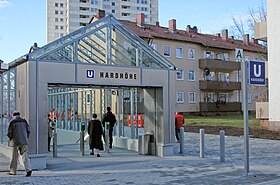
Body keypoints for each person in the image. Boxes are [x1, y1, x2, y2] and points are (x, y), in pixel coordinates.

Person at [7, 111, 32, 177]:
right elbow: (28, 131)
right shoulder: (24, 121)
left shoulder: (12, 122)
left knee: (14, 157)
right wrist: (26, 138)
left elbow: (9, 132)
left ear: (13, 115)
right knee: (25, 157)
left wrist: (10, 139)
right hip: (24, 141)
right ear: (19, 115)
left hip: (15, 142)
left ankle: (13, 171)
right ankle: (28, 169)